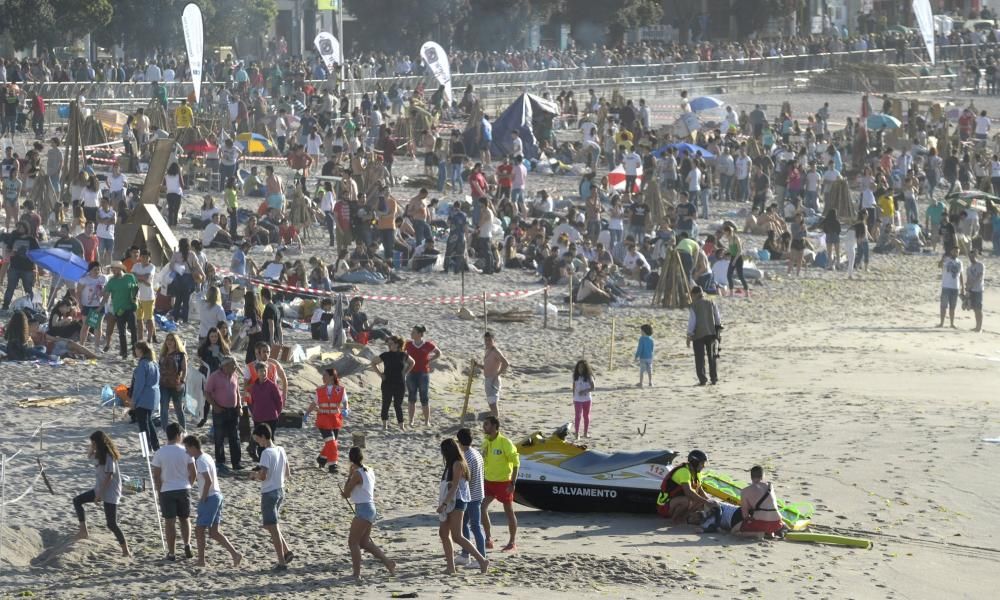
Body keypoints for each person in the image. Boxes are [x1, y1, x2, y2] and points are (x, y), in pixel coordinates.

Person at [183, 435, 242, 567]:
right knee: (214, 532)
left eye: (187, 448)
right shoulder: (207, 457)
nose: (187, 452)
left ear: (193, 447)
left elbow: (208, 480)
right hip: (217, 495)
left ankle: (201, 560)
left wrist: (203, 497)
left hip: (211, 497)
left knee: (199, 530)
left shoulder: (200, 461)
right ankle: (235, 554)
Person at [341, 447, 396, 582]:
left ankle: (356, 574)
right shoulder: (369, 470)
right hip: (370, 508)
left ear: (350, 459)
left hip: (363, 509)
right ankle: (388, 562)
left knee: (353, 542)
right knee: (364, 542)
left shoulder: (357, 474)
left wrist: (349, 475)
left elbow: (346, 494)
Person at [72, 431, 130, 557]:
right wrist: (92, 447)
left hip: (110, 492)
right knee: (77, 501)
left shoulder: (109, 456)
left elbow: (109, 476)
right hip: (99, 489)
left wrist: (99, 495)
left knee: (111, 524)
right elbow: (89, 456)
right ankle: (83, 531)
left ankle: (126, 550)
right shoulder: (99, 454)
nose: (92, 445)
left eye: (94, 443)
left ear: (100, 443)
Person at [437, 438, 490, 574]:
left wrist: (444, 504)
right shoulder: (452, 463)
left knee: (457, 536)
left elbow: (454, 487)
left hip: (457, 501)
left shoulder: (458, 464)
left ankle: (481, 560)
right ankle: (451, 567)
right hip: (451, 500)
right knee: (443, 533)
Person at [151, 422, 196, 561]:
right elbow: (193, 472)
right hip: (183, 488)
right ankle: (187, 544)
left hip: (167, 490)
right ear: (178, 435)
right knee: (185, 519)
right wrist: (190, 484)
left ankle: (171, 553)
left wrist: (159, 491)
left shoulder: (159, 453)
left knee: (169, 522)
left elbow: (156, 476)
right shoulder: (185, 451)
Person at [251, 423, 293, 571]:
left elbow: (263, 476)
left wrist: (254, 475)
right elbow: (287, 473)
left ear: (263, 436)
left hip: (269, 493)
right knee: (271, 525)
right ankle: (286, 551)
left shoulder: (266, 453)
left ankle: (281, 562)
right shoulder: (280, 449)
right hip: (280, 490)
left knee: (272, 527)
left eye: (258, 440)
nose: (258, 443)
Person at [481, 416, 519, 552]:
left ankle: (512, 542)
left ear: (495, 426)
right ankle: (488, 538)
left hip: (504, 482)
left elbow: (516, 464)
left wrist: (513, 483)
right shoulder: (485, 442)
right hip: (488, 481)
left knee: (509, 511)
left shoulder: (505, 442)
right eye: (484, 424)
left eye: (486, 424)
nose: (484, 426)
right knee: (482, 507)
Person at [303, 366, 349, 473]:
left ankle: (322, 459)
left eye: (325, 375)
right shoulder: (319, 390)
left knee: (332, 442)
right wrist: (306, 414)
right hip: (323, 420)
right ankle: (333, 464)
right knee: (331, 441)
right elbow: (314, 403)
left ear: (332, 377)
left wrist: (346, 409)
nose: (323, 377)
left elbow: (345, 401)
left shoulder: (340, 389)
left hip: (335, 420)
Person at [204, 356, 244, 471]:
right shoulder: (214, 376)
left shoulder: (234, 375)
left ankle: (236, 463)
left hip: (233, 410)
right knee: (219, 437)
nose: (236, 367)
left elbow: (237, 392)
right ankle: (220, 463)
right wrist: (215, 406)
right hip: (220, 410)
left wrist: (239, 406)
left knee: (234, 437)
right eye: (233, 365)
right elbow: (207, 393)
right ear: (225, 366)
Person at [655, 449, 716, 522]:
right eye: (702, 463)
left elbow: (700, 490)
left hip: (676, 500)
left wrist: (710, 500)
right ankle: (675, 519)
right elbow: (689, 492)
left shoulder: (697, 473)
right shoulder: (684, 472)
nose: (704, 466)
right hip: (664, 506)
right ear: (695, 463)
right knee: (687, 501)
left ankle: (684, 518)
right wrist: (706, 502)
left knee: (701, 502)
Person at [455, 428, 486, 567]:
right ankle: (465, 554)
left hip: (472, 497)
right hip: (477, 494)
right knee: (464, 525)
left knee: (475, 526)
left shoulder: (466, 457)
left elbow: (466, 478)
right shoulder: (476, 453)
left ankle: (481, 557)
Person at [369, 335, 413, 431]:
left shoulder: (403, 355)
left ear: (397, 344)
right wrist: (380, 374)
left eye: (391, 343)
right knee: (386, 403)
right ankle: (385, 425)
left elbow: (412, 362)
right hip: (387, 382)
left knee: (398, 405)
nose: (389, 345)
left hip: (400, 383)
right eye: (388, 344)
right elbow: (373, 363)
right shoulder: (385, 355)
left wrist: (405, 372)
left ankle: (401, 425)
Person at [248, 361, 285, 463]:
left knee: (269, 440)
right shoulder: (254, 387)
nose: (263, 373)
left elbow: (279, 401)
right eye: (261, 371)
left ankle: (271, 463)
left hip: (271, 417)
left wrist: (277, 413)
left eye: (265, 371)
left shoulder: (272, 385)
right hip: (258, 417)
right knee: (260, 441)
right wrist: (254, 413)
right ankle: (261, 463)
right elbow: (252, 402)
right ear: (256, 372)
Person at [404, 325, 441, 428]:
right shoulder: (408, 344)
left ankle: (426, 421)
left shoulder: (428, 344)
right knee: (412, 397)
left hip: (423, 373)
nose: (411, 333)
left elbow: (438, 353)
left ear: (420, 334)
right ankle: (411, 421)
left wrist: (429, 360)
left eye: (414, 332)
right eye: (412, 331)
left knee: (424, 397)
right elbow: (403, 354)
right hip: (411, 373)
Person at [102, 261, 138, 359]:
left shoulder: (130, 277)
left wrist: (135, 298)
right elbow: (105, 295)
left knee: (134, 330)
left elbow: (135, 289)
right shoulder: (111, 281)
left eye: (115, 268)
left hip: (130, 308)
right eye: (112, 268)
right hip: (118, 310)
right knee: (121, 332)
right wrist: (100, 306)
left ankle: (136, 351)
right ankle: (124, 352)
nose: (113, 270)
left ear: (120, 268)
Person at [686, 286, 722, 386]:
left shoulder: (694, 305)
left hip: (698, 334)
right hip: (711, 332)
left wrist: (689, 335)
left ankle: (702, 379)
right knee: (712, 356)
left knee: (699, 358)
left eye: (692, 295)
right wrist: (718, 330)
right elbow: (717, 317)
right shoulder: (711, 302)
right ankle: (714, 378)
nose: (691, 297)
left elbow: (692, 322)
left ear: (695, 294)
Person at [130, 341, 161, 451]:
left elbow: (139, 385)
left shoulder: (143, 364)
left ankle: (146, 449)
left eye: (136, 349)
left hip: (144, 397)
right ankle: (156, 446)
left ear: (141, 350)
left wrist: (134, 400)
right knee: (149, 422)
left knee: (143, 425)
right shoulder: (154, 363)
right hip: (153, 397)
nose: (135, 351)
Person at [739, 465, 784, 538]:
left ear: (751, 477)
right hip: (777, 523)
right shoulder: (770, 486)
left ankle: (759, 534)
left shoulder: (745, 491)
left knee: (736, 531)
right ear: (763, 476)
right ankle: (771, 532)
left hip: (761, 524)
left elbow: (745, 516)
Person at [158, 333, 187, 432]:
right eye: (168, 340)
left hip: (176, 385)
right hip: (163, 385)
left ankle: (183, 429)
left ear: (176, 342)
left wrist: (182, 382)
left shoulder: (180, 355)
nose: (169, 342)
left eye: (172, 340)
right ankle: (164, 429)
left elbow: (184, 370)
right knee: (164, 408)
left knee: (178, 408)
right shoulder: (163, 354)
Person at [131, 250, 157, 344]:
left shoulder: (152, 266)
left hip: (148, 297)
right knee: (139, 319)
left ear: (149, 258)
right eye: (143, 257)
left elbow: (147, 279)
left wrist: (140, 278)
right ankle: (141, 339)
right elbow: (133, 277)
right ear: (140, 257)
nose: (145, 259)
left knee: (149, 319)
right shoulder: (136, 265)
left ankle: (149, 338)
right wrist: (142, 278)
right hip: (137, 296)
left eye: (147, 257)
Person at [481, 331, 509, 417]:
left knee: (493, 404)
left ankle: (495, 422)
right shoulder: (488, 351)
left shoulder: (495, 351)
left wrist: (497, 374)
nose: (487, 342)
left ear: (494, 341)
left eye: (489, 340)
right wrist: (477, 365)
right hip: (488, 380)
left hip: (493, 381)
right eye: (486, 340)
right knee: (491, 404)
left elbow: (506, 363)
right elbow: (487, 367)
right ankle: (494, 419)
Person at [939, 245, 964, 329]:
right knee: (943, 306)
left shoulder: (960, 262)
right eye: (954, 251)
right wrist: (942, 259)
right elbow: (939, 265)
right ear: (951, 252)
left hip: (955, 287)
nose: (955, 253)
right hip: (946, 286)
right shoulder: (946, 260)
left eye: (957, 251)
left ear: (958, 253)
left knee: (952, 306)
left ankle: (952, 323)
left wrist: (962, 287)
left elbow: (961, 275)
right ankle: (941, 323)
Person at [571, 360, 594, 439]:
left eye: (582, 368)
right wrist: (574, 397)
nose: (580, 369)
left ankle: (585, 433)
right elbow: (573, 387)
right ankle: (577, 434)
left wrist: (585, 391)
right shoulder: (575, 377)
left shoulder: (589, 377)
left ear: (585, 369)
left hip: (587, 399)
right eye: (579, 367)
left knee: (586, 416)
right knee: (578, 416)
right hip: (577, 400)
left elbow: (593, 388)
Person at [967, 250, 985, 332]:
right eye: (970, 256)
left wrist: (971, 285)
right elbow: (968, 278)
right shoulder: (969, 267)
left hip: (978, 290)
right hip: (971, 290)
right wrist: (967, 288)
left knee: (979, 309)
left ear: (976, 256)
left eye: (973, 256)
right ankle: (977, 326)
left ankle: (979, 327)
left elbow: (979, 277)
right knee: (974, 308)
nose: (971, 258)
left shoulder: (980, 265)